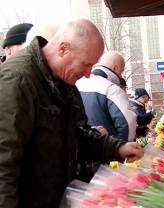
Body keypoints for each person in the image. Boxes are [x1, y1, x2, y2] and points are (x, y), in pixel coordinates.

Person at [0, 19, 144, 207]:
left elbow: (73, 136)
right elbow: (4, 163)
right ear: (63, 49)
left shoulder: (62, 81)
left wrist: (116, 148)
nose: (87, 73)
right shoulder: (18, 81)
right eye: (86, 64)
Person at [76, 51, 137, 141]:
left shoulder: (77, 83)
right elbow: (128, 123)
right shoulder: (112, 89)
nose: (121, 75)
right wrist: (121, 149)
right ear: (115, 68)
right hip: (105, 149)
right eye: (122, 71)